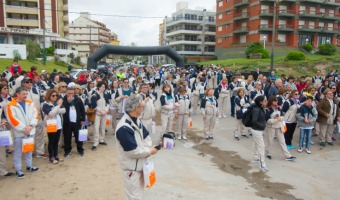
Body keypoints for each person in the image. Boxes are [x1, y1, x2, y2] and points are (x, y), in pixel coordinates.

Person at [115, 94, 158, 199]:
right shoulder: (123, 128)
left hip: (140, 165)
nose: (143, 107)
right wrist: (149, 151)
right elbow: (132, 152)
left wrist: (145, 148)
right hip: (131, 169)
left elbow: (146, 137)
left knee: (139, 195)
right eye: (141, 106)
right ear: (135, 108)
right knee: (133, 197)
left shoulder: (136, 120)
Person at [6, 87, 40, 179]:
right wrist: (24, 128)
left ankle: (29, 166)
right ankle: (18, 170)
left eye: (26, 94)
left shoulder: (30, 103)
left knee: (29, 149)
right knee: (18, 152)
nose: (25, 95)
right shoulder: (11, 105)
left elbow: (35, 114)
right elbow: (12, 119)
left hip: (30, 131)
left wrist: (31, 126)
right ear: (17, 94)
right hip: (20, 133)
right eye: (23, 94)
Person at [264, 96, 296, 161]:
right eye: (275, 101)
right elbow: (267, 120)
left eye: (277, 100)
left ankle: (288, 156)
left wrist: (279, 119)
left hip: (279, 126)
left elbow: (282, 116)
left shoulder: (278, 108)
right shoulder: (268, 109)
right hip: (271, 127)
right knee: (269, 141)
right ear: (271, 101)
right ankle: (267, 153)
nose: (276, 102)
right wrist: (276, 120)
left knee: (282, 141)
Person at [42, 89, 66, 164]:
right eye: (53, 95)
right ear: (49, 96)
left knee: (56, 142)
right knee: (51, 141)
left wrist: (55, 109)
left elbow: (64, 110)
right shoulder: (45, 104)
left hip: (58, 124)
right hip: (51, 124)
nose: (55, 97)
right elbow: (51, 114)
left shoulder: (55, 104)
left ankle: (56, 155)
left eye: (56, 95)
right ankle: (51, 157)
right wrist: (58, 106)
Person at [62, 87, 86, 157]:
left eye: (72, 93)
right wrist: (68, 103)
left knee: (79, 137)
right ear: (66, 93)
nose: (70, 95)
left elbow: (82, 110)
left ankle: (80, 150)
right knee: (67, 137)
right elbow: (62, 109)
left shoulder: (78, 99)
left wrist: (83, 119)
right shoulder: (63, 100)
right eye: (69, 93)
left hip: (77, 122)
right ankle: (67, 151)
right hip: (67, 122)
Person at [250, 95, 268, 172]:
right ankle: (262, 165)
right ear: (260, 102)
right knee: (261, 146)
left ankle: (255, 157)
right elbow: (254, 121)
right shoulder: (257, 110)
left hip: (257, 130)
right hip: (257, 130)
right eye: (264, 101)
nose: (266, 102)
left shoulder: (261, 109)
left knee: (256, 144)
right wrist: (261, 126)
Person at [90, 81, 109, 151]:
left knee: (103, 127)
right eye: (102, 87)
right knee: (96, 128)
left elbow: (107, 103)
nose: (103, 88)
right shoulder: (95, 95)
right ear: (99, 87)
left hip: (104, 114)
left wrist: (106, 110)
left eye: (104, 87)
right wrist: (101, 111)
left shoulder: (105, 95)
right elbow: (94, 105)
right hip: (97, 114)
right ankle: (95, 142)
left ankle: (101, 140)